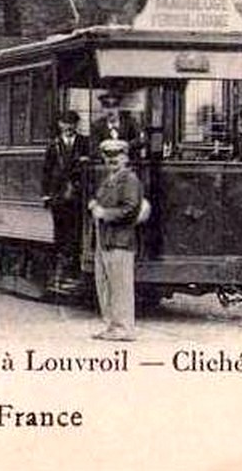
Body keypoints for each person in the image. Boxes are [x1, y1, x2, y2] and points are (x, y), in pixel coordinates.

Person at [87, 137, 144, 341]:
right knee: (106, 286)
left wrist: (104, 213)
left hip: (120, 241)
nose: (112, 159)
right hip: (106, 241)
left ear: (125, 157)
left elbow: (131, 209)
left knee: (120, 287)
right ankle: (112, 326)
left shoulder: (129, 179)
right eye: (108, 156)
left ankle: (124, 328)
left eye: (117, 155)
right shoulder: (109, 180)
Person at [42, 110, 91, 285]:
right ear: (60, 125)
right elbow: (47, 171)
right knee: (61, 232)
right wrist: (46, 194)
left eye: (72, 123)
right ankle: (61, 271)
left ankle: (73, 270)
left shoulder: (84, 142)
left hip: (78, 194)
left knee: (76, 232)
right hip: (59, 194)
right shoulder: (53, 145)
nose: (69, 126)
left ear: (76, 125)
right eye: (65, 123)